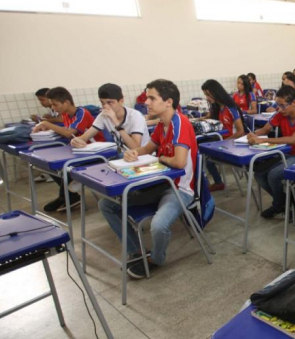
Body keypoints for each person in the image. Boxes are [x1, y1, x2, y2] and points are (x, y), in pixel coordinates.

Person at [98, 79, 199, 279]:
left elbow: (179, 163)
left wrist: (158, 158)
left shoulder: (180, 123)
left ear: (168, 101)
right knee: (106, 205)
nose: (147, 102)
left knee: (159, 225)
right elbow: (146, 149)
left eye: (152, 98)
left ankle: (156, 260)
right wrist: (133, 153)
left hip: (180, 189)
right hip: (161, 184)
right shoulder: (163, 125)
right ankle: (137, 251)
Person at [31, 87, 103, 212]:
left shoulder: (82, 113)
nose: (53, 108)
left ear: (67, 103)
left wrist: (47, 124)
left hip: (96, 151)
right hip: (79, 149)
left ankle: (68, 197)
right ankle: (68, 196)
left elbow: (69, 133)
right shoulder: (65, 114)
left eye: (55, 104)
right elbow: (66, 130)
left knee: (64, 168)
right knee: (49, 165)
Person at [248, 85, 295, 219]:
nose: (280, 109)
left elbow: (294, 140)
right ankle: (284, 202)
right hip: (285, 154)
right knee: (259, 173)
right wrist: (253, 135)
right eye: (278, 105)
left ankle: (278, 205)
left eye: (283, 105)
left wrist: (263, 140)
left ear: (294, 103)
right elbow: (265, 130)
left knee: (273, 175)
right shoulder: (280, 114)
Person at [70, 83, 149, 153]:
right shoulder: (103, 116)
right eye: (102, 103)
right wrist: (76, 141)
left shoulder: (135, 116)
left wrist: (116, 122)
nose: (105, 106)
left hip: (142, 156)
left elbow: (136, 148)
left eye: (110, 102)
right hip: (123, 156)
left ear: (121, 101)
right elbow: (84, 137)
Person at [201, 79, 246, 191]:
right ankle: (211, 183)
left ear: (215, 92)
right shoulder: (217, 107)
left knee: (205, 156)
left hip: (232, 144)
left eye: (208, 94)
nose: (207, 97)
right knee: (200, 150)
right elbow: (207, 118)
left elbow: (241, 132)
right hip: (223, 142)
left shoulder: (230, 108)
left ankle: (216, 182)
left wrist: (221, 142)